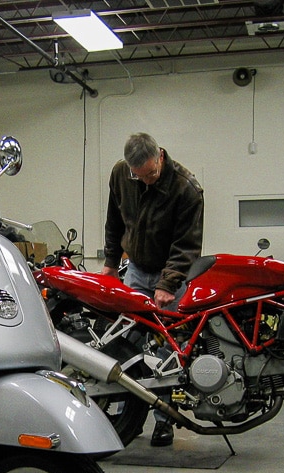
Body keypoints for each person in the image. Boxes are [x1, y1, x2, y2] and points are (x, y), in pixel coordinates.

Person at [101, 132, 204, 447]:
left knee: (167, 353)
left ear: (160, 156)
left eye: (151, 174)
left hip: (170, 276)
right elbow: (114, 222)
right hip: (135, 270)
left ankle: (164, 422)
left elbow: (186, 244)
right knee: (121, 344)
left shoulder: (186, 188)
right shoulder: (121, 174)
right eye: (139, 176)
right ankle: (121, 416)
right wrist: (109, 262)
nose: (145, 181)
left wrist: (167, 284)